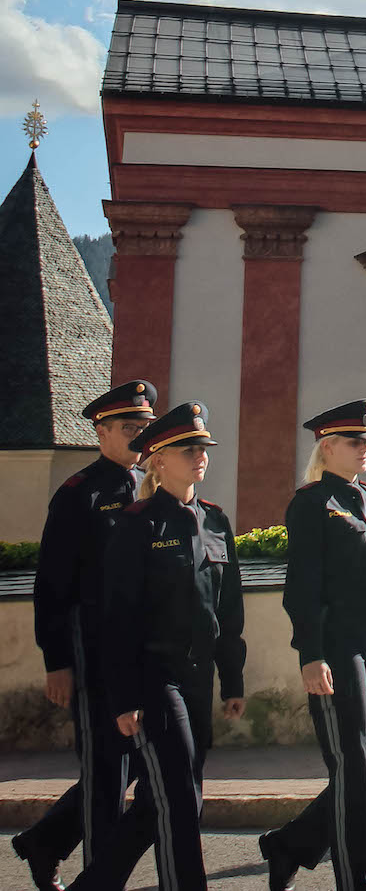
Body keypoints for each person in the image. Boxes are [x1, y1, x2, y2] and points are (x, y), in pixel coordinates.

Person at [65, 400, 246, 891]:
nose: (200, 456)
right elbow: (116, 618)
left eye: (203, 447)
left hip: (198, 675)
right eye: (188, 449)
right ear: (158, 460)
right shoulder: (137, 523)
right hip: (154, 677)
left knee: (160, 800)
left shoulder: (214, 521)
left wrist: (232, 679)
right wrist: (123, 697)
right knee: (181, 800)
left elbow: (229, 613)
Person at [13, 380, 158, 891]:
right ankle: (99, 878)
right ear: (101, 431)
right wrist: (56, 660)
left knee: (142, 758)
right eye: (128, 429)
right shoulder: (80, 494)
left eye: (145, 429)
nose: (139, 438)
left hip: (142, 648)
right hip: (91, 645)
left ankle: (45, 841)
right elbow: (51, 584)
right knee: (106, 766)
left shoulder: (151, 487)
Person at [259, 399, 366, 891]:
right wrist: (311, 654)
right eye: (355, 442)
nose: (365, 450)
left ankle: (291, 844)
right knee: (352, 766)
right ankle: (354, 880)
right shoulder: (312, 503)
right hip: (336, 646)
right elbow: (303, 588)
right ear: (328, 446)